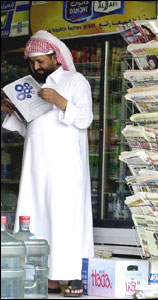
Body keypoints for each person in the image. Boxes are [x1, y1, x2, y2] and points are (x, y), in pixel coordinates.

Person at [1, 30, 94, 297]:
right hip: (36, 167)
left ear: (55, 57)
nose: (36, 67)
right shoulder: (31, 85)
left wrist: (61, 101)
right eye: (32, 63)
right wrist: (13, 113)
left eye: (40, 61)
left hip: (65, 167)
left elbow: (85, 119)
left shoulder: (75, 81)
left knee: (65, 219)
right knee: (36, 217)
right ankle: (49, 277)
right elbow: (31, 128)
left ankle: (72, 275)